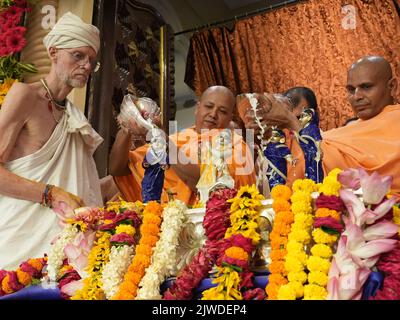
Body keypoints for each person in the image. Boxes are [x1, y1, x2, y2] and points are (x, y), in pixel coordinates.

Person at [0, 12, 103, 269]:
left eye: (92, 60)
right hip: (17, 243)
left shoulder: (75, 118)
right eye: (78, 56)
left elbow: (80, 188)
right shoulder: (25, 96)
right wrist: (50, 193)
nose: (87, 66)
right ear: (53, 52)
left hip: (65, 248)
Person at [238, 56, 400, 194]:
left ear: (392, 86)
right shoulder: (347, 132)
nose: (357, 96)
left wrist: (291, 122)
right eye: (351, 90)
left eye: (366, 87)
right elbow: (310, 166)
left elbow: (336, 167)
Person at [109, 85, 256, 205]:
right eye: (209, 106)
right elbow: (118, 169)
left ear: (230, 117)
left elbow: (205, 183)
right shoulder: (178, 139)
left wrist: (163, 140)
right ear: (197, 108)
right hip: (161, 227)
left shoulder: (235, 147)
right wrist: (128, 126)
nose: (213, 114)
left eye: (222, 111)